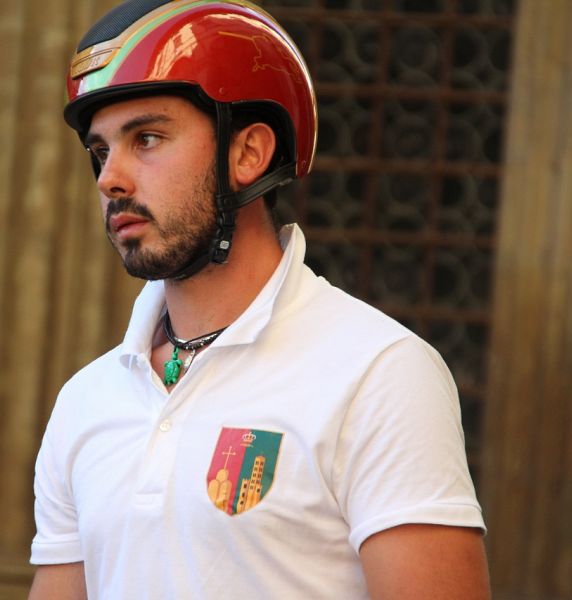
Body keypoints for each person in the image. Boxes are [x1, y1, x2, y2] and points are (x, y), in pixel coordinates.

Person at [28, 1, 489, 598]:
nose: (108, 179)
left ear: (249, 154)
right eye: (100, 151)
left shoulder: (380, 373)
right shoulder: (86, 399)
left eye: (147, 139)